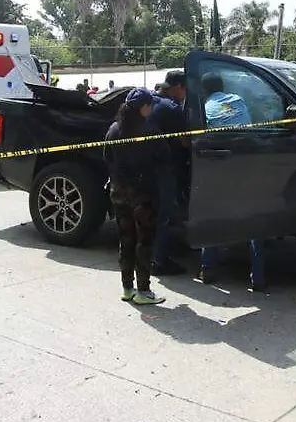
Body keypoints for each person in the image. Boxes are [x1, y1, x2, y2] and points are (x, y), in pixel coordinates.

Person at [197, 72, 266, 292]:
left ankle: (207, 269)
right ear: (223, 86)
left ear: (205, 90)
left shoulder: (205, 109)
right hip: (247, 169)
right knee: (254, 225)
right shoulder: (238, 101)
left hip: (219, 172)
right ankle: (258, 276)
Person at [104, 88, 167, 305]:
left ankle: (127, 288)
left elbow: (107, 158)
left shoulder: (114, 129)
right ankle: (144, 291)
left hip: (118, 193)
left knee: (126, 239)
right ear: (144, 107)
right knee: (144, 242)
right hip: (143, 195)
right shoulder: (150, 131)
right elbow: (164, 158)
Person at [147, 70, 190, 276]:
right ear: (178, 88)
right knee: (164, 215)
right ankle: (159, 261)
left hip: (142, 167)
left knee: (150, 213)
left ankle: (149, 255)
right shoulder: (172, 109)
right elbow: (185, 141)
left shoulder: (150, 101)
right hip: (163, 168)